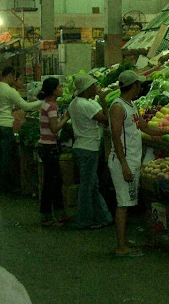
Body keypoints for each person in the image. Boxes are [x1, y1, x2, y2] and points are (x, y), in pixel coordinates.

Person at [108, 70, 169, 257]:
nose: (140, 87)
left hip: (132, 160)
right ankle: (121, 247)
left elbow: (144, 127)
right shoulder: (118, 107)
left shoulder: (131, 105)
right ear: (134, 86)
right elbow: (115, 137)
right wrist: (124, 165)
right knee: (123, 204)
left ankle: (124, 241)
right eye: (138, 84)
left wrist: (168, 131)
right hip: (124, 162)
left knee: (127, 203)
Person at [0, 66, 42, 193]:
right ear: (10, 76)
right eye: (14, 77)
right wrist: (42, 102)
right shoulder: (10, 90)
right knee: (5, 156)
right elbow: (26, 106)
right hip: (5, 126)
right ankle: (6, 185)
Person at [68, 75, 113, 230]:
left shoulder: (75, 102)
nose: (97, 88)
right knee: (87, 187)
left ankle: (104, 217)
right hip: (89, 149)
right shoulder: (85, 105)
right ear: (87, 88)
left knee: (92, 185)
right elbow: (106, 119)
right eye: (94, 86)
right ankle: (84, 220)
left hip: (81, 146)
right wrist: (104, 100)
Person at [37, 78, 71, 227]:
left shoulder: (46, 104)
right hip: (49, 147)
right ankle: (47, 216)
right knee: (52, 182)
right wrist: (65, 118)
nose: (62, 88)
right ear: (53, 90)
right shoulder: (51, 107)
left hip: (45, 146)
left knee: (53, 181)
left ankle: (57, 213)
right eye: (59, 86)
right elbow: (55, 128)